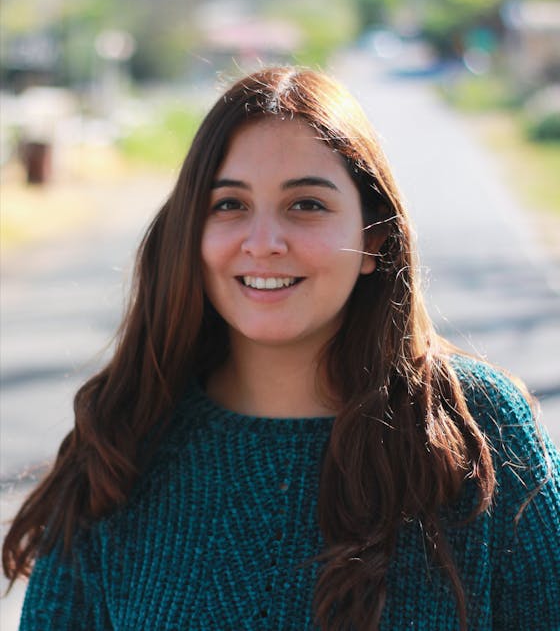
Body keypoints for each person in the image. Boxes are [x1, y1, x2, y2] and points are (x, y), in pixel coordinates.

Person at [3, 66, 559, 631]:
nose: (264, 243)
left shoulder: (478, 431)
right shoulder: (121, 444)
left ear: (374, 239)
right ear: (191, 235)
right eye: (228, 205)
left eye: (307, 205)